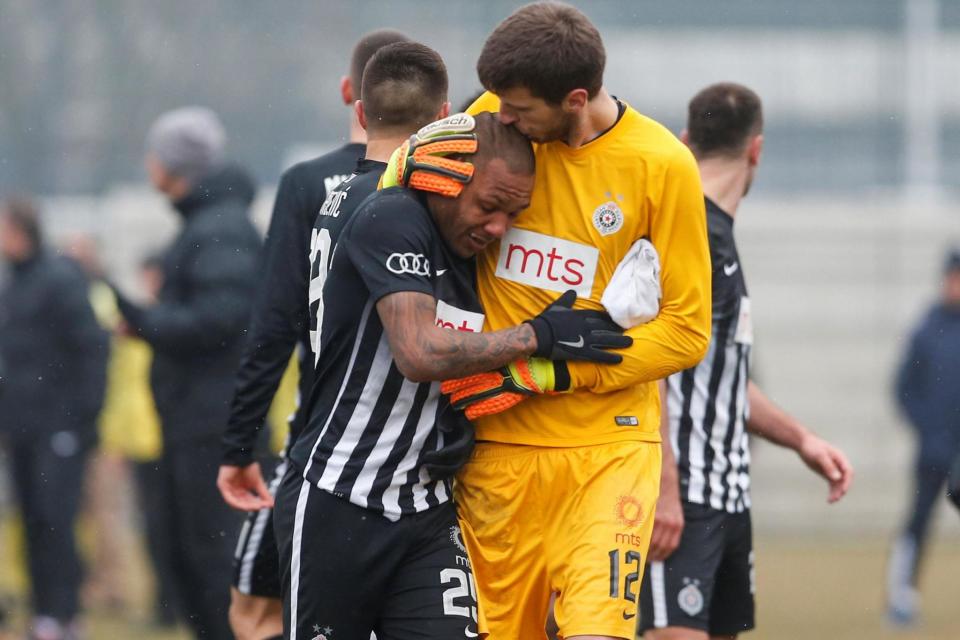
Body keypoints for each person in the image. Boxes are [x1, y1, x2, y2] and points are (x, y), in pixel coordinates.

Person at [449, 4, 712, 638]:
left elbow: (687, 329)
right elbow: (399, 201)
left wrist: (560, 372)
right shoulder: (479, 124)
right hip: (495, 453)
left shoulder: (662, 164)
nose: (500, 117)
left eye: (518, 110)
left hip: (609, 451)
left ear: (573, 99)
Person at [635, 82, 854, 639]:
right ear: (756, 149)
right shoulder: (688, 234)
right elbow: (648, 364)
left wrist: (802, 438)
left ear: (686, 142)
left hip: (728, 498)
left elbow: (721, 382)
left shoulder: (721, 239)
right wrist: (664, 491)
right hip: (682, 500)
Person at [216, 29, 410, 640]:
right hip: (424, 458)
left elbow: (275, 324)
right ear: (439, 107)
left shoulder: (307, 184)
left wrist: (239, 446)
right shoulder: (451, 190)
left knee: (257, 611)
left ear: (352, 95)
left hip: (320, 446)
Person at [112, 106, 261, 639]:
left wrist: (147, 319)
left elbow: (222, 321)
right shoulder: (206, 222)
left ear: (175, 164)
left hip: (212, 422)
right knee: (184, 555)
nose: (148, 163)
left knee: (210, 556)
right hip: (195, 419)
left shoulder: (218, 227)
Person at [0, 197, 109, 640]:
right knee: (28, 521)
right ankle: (43, 611)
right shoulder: (12, 285)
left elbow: (91, 351)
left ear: (21, 230)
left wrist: (82, 421)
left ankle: (65, 613)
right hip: (21, 428)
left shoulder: (60, 280)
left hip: (59, 428)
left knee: (55, 521)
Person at [886, 248, 960, 626]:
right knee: (918, 521)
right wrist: (927, 425)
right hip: (933, 450)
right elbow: (902, 388)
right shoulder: (927, 328)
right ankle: (901, 596)